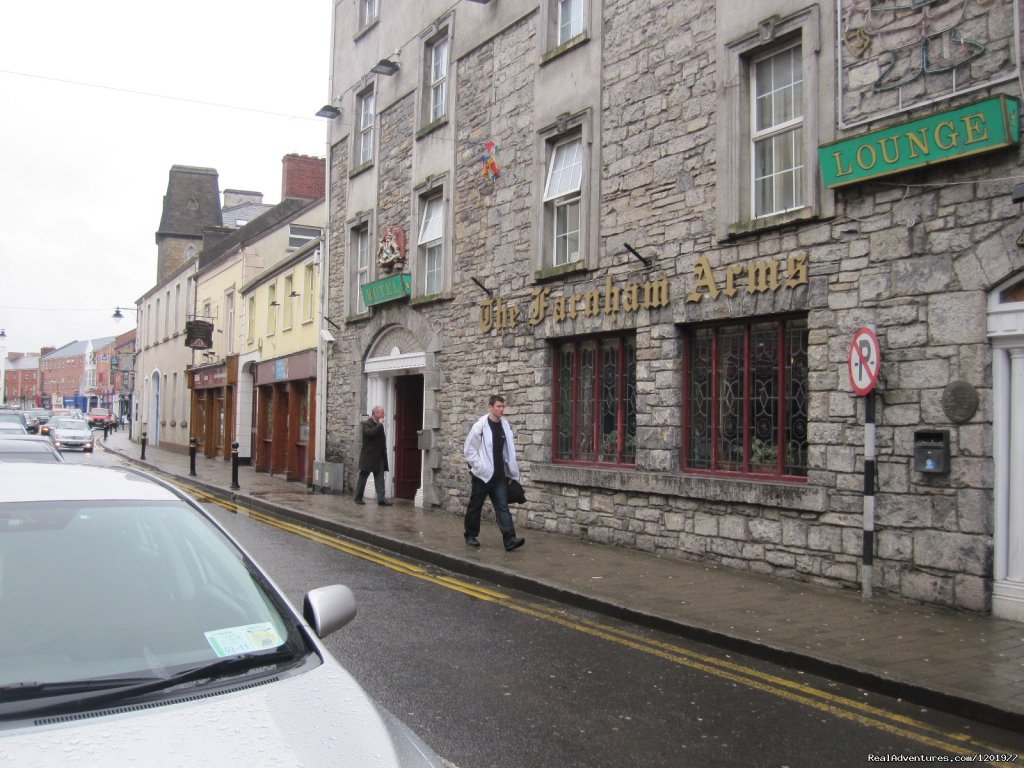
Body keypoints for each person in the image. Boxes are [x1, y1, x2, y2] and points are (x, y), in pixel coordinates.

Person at [463, 395, 525, 551]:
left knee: (502, 507)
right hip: (482, 476)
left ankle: (510, 539)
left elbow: (508, 452)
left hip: (499, 476)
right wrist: (479, 467)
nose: (501, 409)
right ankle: (471, 535)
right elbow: (469, 450)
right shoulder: (480, 426)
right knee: (475, 505)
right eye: (498, 406)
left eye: (503, 406)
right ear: (490, 407)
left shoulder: (505, 425)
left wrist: (511, 474)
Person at [353, 405, 392, 506]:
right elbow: (370, 433)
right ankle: (358, 497)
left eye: (383, 412)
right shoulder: (367, 424)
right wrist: (379, 425)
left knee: (380, 479)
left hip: (379, 457)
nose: (384, 414)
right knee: (363, 478)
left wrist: (384, 452)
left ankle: (381, 499)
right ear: (376, 414)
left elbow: (381, 439)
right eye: (382, 412)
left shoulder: (379, 425)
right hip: (368, 457)